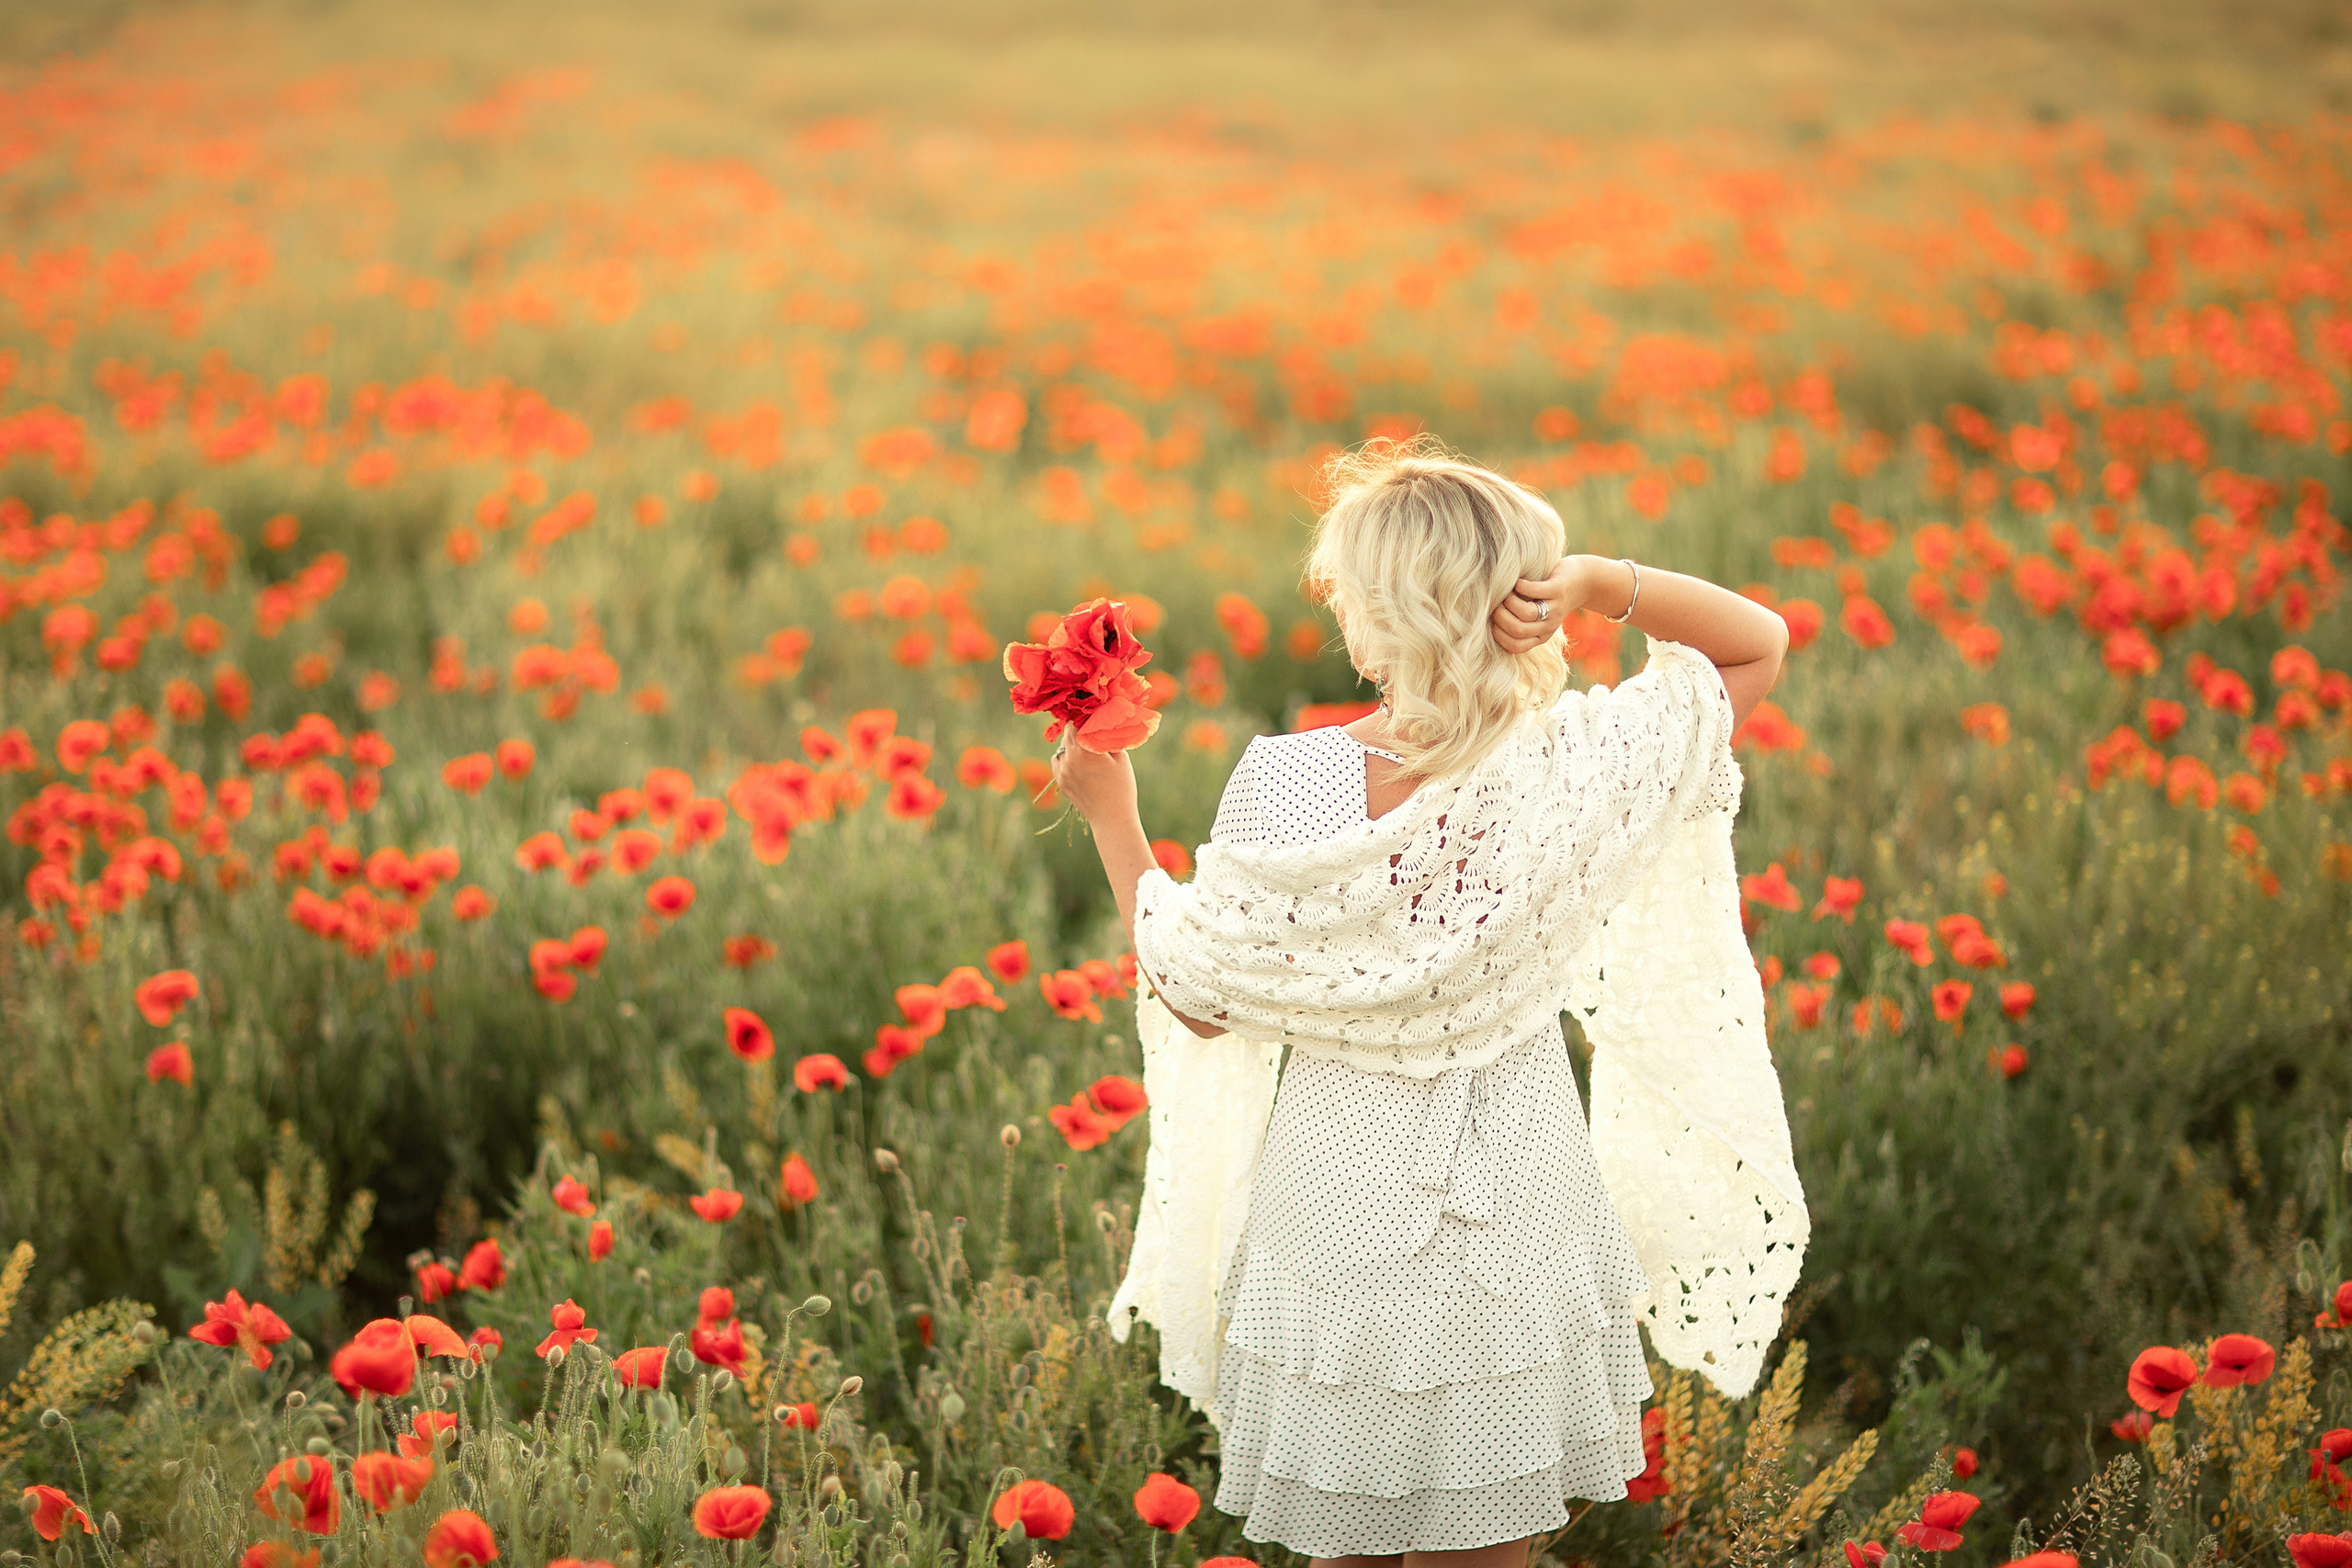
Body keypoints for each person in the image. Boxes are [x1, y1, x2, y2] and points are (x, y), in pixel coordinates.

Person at [1052, 437, 1807, 1568]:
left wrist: (1111, 812)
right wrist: (1606, 584)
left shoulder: (1285, 778)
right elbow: (1759, 642)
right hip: (1519, 1206)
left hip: (1336, 1212)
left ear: (1374, 617)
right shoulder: (1578, 760)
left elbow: (1200, 997)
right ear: (1522, 599)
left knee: (1345, 1545)